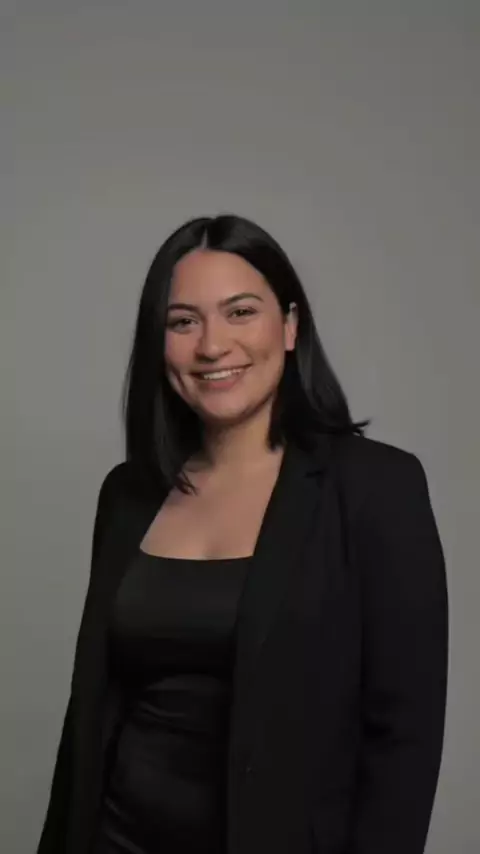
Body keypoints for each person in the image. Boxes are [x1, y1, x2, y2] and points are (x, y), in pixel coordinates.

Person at [37, 214, 448, 854]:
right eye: (183, 321)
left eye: (240, 312)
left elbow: (405, 735)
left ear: (289, 326)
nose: (212, 345)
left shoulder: (375, 487)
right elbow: (88, 713)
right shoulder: (127, 494)